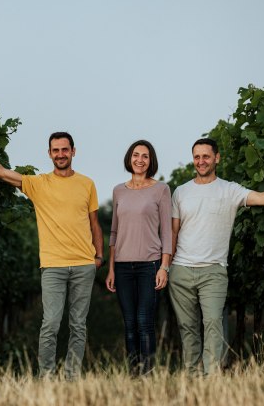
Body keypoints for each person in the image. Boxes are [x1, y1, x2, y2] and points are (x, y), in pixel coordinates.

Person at [0, 131, 104, 379]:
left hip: (84, 264)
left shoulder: (87, 184)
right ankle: (47, 377)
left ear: (73, 151)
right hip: (53, 266)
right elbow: (1, 172)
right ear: (50, 154)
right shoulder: (39, 184)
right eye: (56, 150)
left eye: (64, 149)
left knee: (78, 326)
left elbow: (94, 224)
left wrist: (99, 257)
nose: (60, 154)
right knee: (50, 324)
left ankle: (72, 377)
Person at [170, 137, 264, 375]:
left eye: (206, 156)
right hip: (180, 270)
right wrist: (166, 266)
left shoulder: (229, 190)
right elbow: (173, 232)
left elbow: (261, 198)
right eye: (197, 157)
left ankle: (212, 379)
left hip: (213, 271)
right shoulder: (181, 192)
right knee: (187, 327)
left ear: (217, 158)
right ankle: (191, 377)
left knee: (213, 325)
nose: (201, 161)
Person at [104, 140, 172, 375]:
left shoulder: (161, 189)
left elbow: (166, 231)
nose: (140, 160)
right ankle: (134, 374)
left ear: (151, 160)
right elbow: (113, 231)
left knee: (144, 322)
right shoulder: (118, 190)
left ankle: (148, 374)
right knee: (130, 324)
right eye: (136, 155)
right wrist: (111, 268)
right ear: (129, 158)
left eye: (145, 156)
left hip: (150, 265)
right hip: (122, 267)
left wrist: (164, 266)